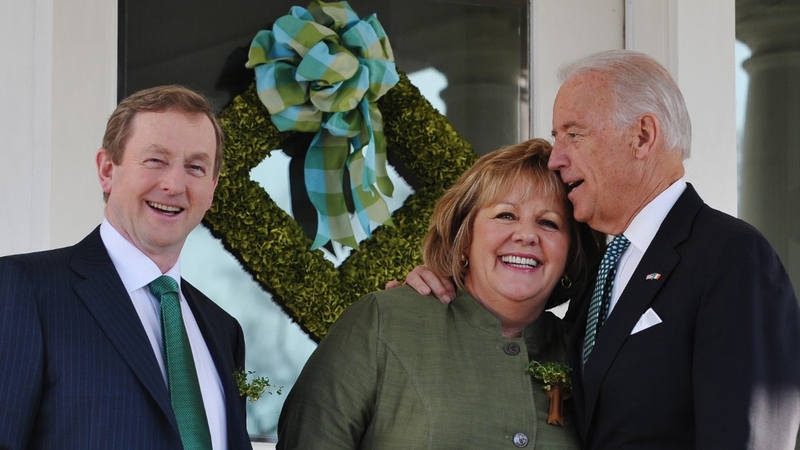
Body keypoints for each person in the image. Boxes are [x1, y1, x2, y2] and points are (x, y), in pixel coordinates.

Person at [399, 49, 800, 449]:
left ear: (642, 137)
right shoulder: (602, 271)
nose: (555, 159)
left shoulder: (732, 256)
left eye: (573, 135)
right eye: (556, 138)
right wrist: (445, 291)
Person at [277, 139, 603, 449]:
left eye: (549, 223)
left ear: (570, 253)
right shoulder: (384, 322)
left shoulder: (585, 354)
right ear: (464, 238)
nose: (527, 235)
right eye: (506, 215)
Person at [0, 85, 252, 449]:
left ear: (211, 188)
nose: (174, 184)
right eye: (155, 160)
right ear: (107, 170)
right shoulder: (25, 290)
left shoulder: (224, 330)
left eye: (195, 167)